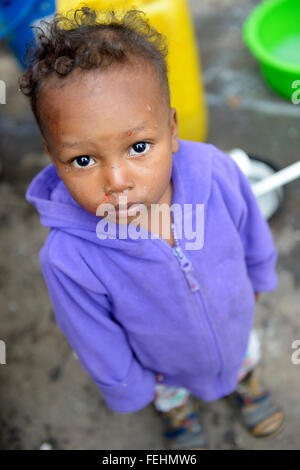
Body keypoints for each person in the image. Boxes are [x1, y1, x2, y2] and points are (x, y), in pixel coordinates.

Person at [19, 7, 284, 450]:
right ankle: (179, 415)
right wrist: (132, 386)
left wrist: (258, 275)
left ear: (173, 129)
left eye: (139, 147)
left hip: (233, 324)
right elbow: (93, 336)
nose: (117, 180)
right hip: (160, 364)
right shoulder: (69, 256)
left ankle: (246, 384)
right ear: (53, 157)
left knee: (241, 357)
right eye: (83, 160)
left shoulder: (215, 174)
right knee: (170, 393)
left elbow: (249, 227)